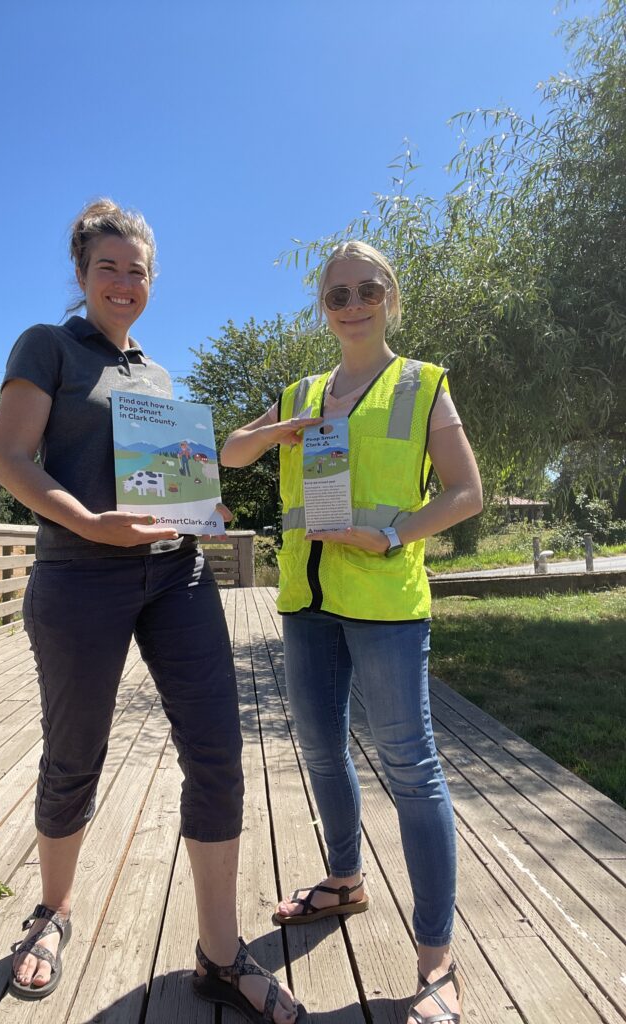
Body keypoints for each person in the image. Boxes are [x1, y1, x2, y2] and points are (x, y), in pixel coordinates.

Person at [0, 198, 301, 1023]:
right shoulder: (47, 347)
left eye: (137, 271)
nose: (124, 283)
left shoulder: (158, 379)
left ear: (152, 281)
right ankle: (52, 911)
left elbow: (174, 486)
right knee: (75, 755)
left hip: (177, 577)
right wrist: (91, 522)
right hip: (78, 578)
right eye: (108, 268)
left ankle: (220, 953)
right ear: (83, 275)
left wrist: (204, 509)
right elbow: (10, 457)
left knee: (218, 753)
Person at [221, 240, 483, 1024]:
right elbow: (231, 456)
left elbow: (467, 493)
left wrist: (395, 535)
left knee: (412, 769)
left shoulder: (421, 384)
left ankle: (435, 961)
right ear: (323, 310)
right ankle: (344, 882)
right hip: (306, 601)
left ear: (390, 296)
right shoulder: (304, 391)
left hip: (388, 603)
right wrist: (279, 432)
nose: (354, 304)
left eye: (368, 289)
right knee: (321, 752)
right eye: (338, 295)